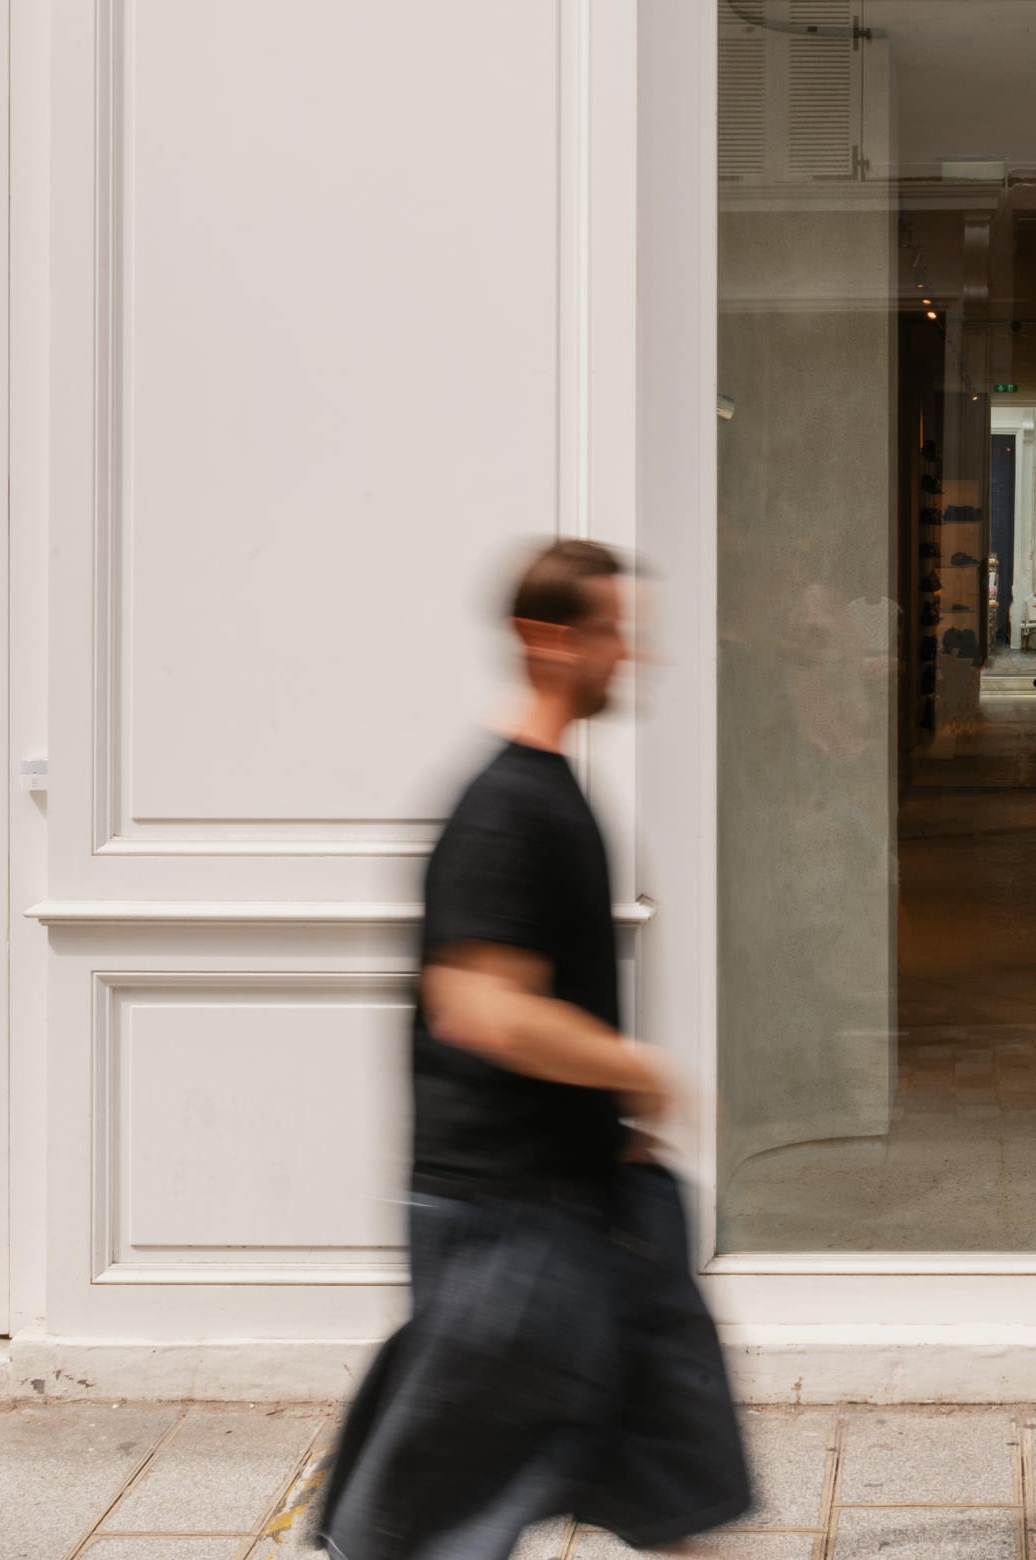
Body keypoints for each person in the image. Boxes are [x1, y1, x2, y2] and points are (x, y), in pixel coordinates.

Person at [318, 539, 749, 1560]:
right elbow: (482, 1008)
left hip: (585, 1206)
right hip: (509, 1223)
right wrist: (641, 1070)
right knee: (432, 1526)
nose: (629, 653)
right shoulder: (506, 809)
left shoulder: (548, 788)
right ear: (541, 640)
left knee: (670, 1482)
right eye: (608, 630)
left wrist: (617, 1124)